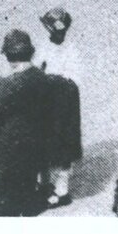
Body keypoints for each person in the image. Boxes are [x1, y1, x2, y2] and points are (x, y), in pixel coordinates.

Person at [0, 30, 54, 217]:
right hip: (32, 150)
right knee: (24, 193)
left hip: (5, 154)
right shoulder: (42, 78)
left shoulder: (9, 85)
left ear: (9, 56)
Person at [34, 10, 84, 209]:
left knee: (63, 148)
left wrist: (54, 80)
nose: (58, 35)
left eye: (60, 31)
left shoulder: (72, 50)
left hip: (64, 103)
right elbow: (36, 68)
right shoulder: (43, 46)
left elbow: (75, 79)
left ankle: (62, 192)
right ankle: (43, 183)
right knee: (42, 141)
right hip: (46, 101)